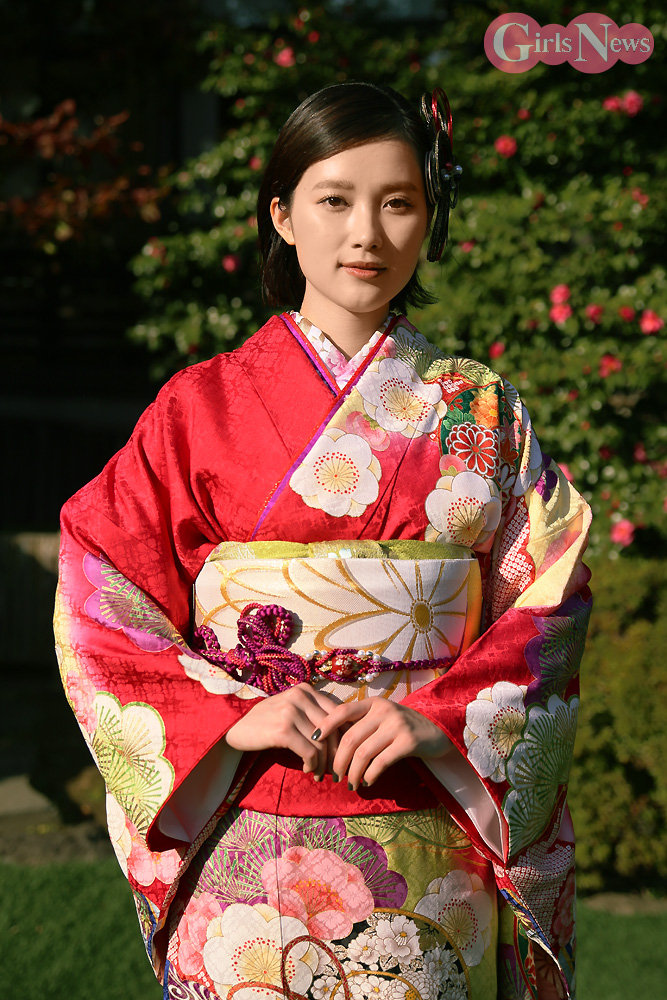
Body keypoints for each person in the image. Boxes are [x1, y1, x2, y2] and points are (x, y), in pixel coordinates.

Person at [54, 82, 591, 1000]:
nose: (365, 234)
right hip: (244, 818)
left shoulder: (480, 409)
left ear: (429, 215)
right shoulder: (198, 406)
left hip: (427, 817)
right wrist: (229, 714)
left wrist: (437, 718)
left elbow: (550, 592)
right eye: (334, 200)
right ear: (283, 216)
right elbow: (100, 581)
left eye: (398, 203)